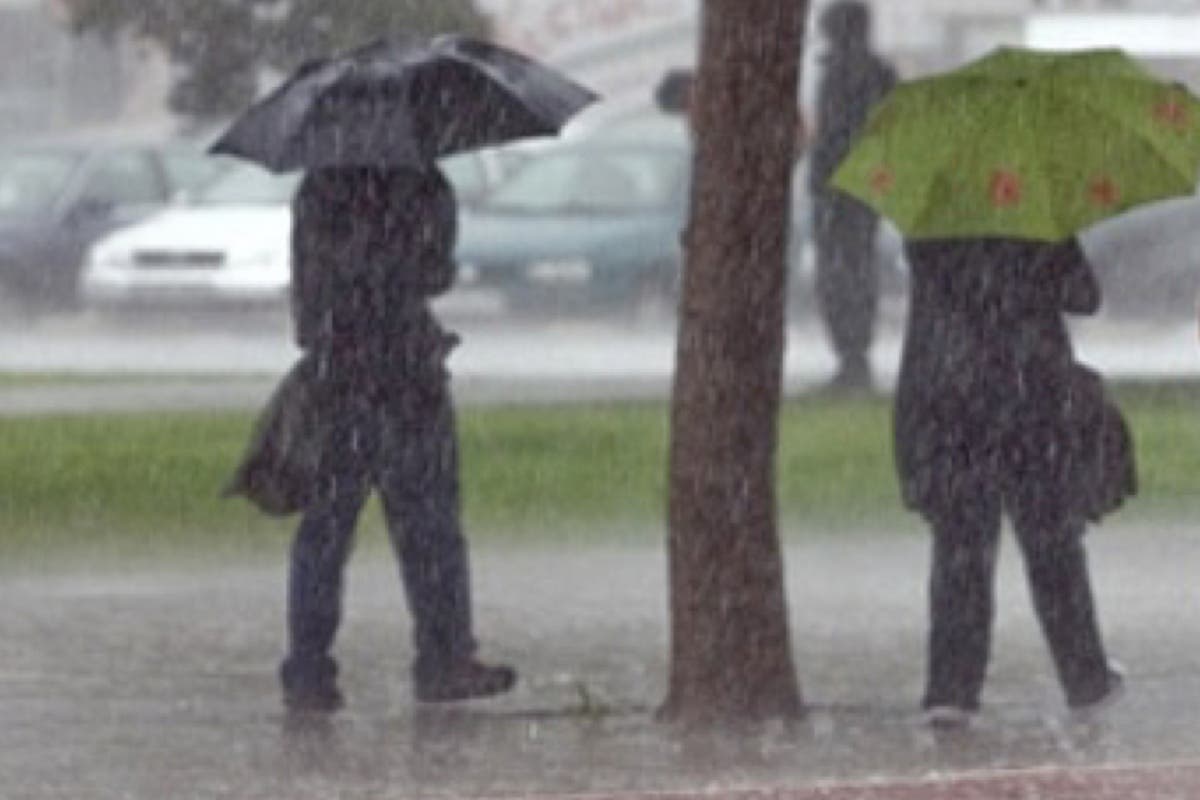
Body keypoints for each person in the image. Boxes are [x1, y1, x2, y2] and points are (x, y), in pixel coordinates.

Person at [279, 164, 516, 712]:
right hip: (408, 374)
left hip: (336, 372)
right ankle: (444, 658)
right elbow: (437, 275)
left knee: (325, 529)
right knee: (429, 527)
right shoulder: (424, 184)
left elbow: (307, 287)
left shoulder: (319, 186)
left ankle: (308, 671)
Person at [895, 236, 1134, 728]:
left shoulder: (932, 230)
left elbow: (929, 310)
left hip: (952, 400)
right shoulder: (1036, 220)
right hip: (1033, 397)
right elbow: (1085, 297)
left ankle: (951, 688)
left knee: (961, 546)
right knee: (1052, 543)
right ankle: (1084, 677)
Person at [808, 0, 897, 392]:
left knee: (839, 273)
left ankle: (851, 354)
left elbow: (832, 135)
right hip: (865, 188)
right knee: (858, 270)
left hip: (838, 190)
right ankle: (854, 354)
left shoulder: (840, 74)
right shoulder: (880, 74)